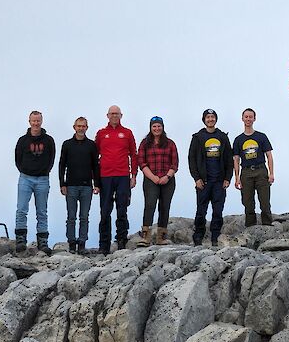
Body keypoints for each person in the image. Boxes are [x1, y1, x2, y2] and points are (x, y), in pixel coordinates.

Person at [95, 105, 138, 255]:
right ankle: (104, 245)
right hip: (105, 177)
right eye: (112, 114)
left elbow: (134, 155)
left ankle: (121, 242)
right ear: (107, 115)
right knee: (105, 211)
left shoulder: (127, 133)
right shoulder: (101, 133)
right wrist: (95, 181)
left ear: (121, 115)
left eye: (117, 114)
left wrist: (133, 176)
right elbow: (95, 156)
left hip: (123, 176)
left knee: (122, 210)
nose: (114, 116)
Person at [188, 109, 233, 247]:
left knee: (218, 211)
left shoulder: (222, 137)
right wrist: (196, 178)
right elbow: (192, 159)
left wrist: (227, 178)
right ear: (204, 120)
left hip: (219, 181)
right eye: (208, 117)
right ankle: (198, 238)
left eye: (212, 117)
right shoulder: (197, 137)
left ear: (216, 119)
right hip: (203, 182)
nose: (210, 119)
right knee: (201, 211)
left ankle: (215, 237)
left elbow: (229, 160)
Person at [14, 110, 56, 255]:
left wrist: (44, 171)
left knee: (42, 211)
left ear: (41, 121)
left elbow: (52, 158)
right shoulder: (22, 140)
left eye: (38, 120)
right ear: (29, 121)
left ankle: (42, 241)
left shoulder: (48, 140)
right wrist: (25, 170)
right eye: (33, 121)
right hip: (25, 178)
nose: (36, 123)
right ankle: (20, 240)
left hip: (43, 179)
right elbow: (17, 159)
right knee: (21, 209)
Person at [59, 117, 101, 255]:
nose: (81, 128)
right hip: (70, 186)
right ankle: (71, 243)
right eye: (79, 126)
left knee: (84, 216)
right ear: (74, 127)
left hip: (87, 186)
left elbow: (96, 165)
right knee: (71, 216)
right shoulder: (67, 144)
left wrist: (97, 184)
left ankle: (82, 243)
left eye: (83, 126)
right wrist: (62, 184)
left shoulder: (91, 145)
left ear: (87, 128)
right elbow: (62, 165)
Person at [136, 116, 179, 246]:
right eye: (154, 126)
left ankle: (161, 237)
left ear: (162, 127)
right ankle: (145, 236)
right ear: (150, 128)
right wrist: (153, 177)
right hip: (150, 179)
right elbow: (141, 162)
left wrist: (167, 176)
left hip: (168, 180)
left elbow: (175, 163)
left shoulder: (170, 143)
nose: (156, 128)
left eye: (159, 126)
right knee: (150, 205)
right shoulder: (145, 143)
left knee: (164, 207)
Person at [233, 108, 275, 226]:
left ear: (254, 119)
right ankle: (250, 228)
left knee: (265, 202)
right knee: (248, 203)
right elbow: (236, 160)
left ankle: (267, 226)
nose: (248, 119)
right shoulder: (238, 140)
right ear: (242, 119)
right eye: (246, 117)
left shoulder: (261, 137)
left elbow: (269, 156)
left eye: (250, 117)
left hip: (261, 171)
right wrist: (236, 178)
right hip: (246, 173)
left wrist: (271, 173)